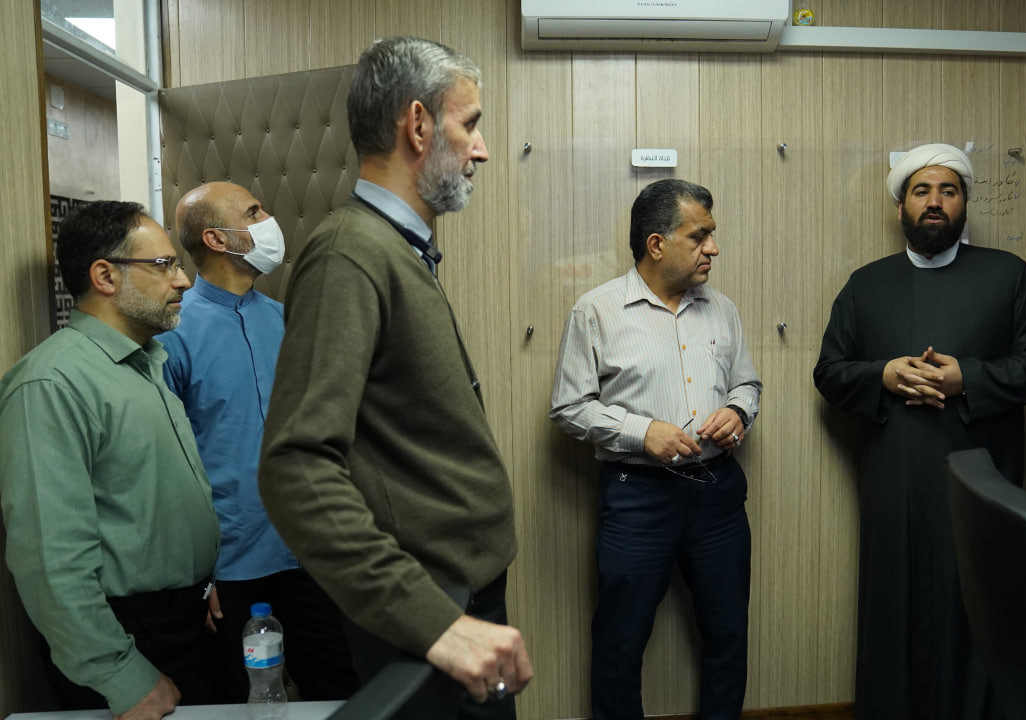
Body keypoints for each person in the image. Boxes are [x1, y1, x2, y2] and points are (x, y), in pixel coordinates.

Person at [258, 36, 531, 718]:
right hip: (428, 608)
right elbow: (296, 469)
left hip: (457, 597)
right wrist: (434, 622)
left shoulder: (396, 247)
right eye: (470, 124)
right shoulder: (350, 255)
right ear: (417, 125)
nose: (481, 149)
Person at [812, 143, 1026, 719]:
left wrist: (966, 378)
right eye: (921, 191)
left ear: (964, 203)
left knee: (979, 604)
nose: (934, 202)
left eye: (948, 191)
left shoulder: (1008, 275)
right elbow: (829, 372)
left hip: (982, 481)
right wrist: (884, 374)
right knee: (895, 606)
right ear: (900, 206)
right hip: (894, 483)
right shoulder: (866, 284)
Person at [549, 179, 762, 720]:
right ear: (657, 244)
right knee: (620, 644)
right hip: (637, 499)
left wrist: (738, 412)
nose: (714, 248)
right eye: (700, 236)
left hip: (717, 496)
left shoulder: (722, 309)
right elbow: (569, 407)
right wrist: (641, 432)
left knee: (728, 635)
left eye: (712, 235)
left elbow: (747, 384)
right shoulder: (597, 311)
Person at [0, 200, 220, 719]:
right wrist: (120, 675)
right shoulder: (52, 383)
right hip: (125, 636)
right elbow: (51, 559)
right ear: (105, 276)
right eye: (164, 265)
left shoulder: (146, 364)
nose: (184, 280)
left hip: (183, 621)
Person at [155, 181, 359, 704]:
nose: (268, 219)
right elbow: (167, 467)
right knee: (240, 701)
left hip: (309, 553)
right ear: (217, 239)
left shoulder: (287, 319)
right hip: (230, 569)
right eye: (253, 211)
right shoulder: (172, 334)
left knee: (339, 690)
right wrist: (198, 576)